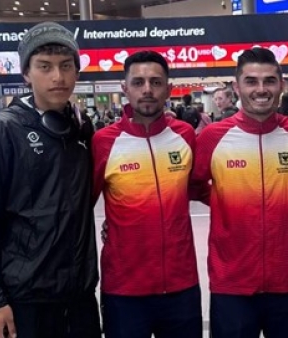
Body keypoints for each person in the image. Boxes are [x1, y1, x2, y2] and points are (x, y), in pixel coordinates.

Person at [0, 21, 101, 338]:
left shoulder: (82, 128)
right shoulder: (2, 131)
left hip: (79, 296)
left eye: (67, 66)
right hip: (26, 299)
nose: (58, 77)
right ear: (26, 73)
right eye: (45, 67)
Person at [191, 47, 288, 337]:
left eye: (269, 81)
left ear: (281, 85)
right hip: (232, 284)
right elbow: (194, 184)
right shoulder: (214, 137)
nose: (261, 89)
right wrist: (227, 202)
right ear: (237, 86)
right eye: (251, 81)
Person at [91, 50, 205, 338]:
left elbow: (199, 188)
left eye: (155, 82)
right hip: (124, 289)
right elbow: (81, 206)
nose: (147, 90)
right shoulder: (104, 142)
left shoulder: (185, 136)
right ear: (125, 87)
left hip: (181, 284)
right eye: (138, 82)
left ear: (168, 89)